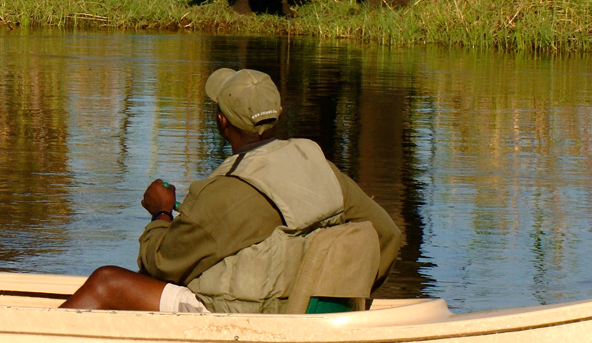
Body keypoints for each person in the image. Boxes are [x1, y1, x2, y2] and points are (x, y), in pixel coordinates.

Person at [61, 68, 403, 313]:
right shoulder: (321, 168)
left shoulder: (226, 192)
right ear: (279, 114)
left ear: (222, 121)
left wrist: (161, 213)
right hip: (294, 314)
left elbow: (161, 264)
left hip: (236, 317)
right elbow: (386, 234)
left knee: (107, 282)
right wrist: (334, 303)